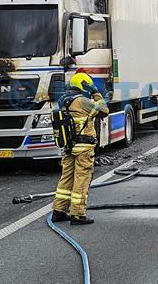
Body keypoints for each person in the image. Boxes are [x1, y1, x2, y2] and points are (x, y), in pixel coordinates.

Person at [51, 73, 109, 225]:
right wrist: (95, 91)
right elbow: (104, 110)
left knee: (66, 178)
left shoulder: (63, 100)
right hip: (84, 146)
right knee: (82, 179)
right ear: (84, 86)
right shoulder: (83, 101)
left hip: (68, 146)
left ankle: (59, 211)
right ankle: (78, 214)